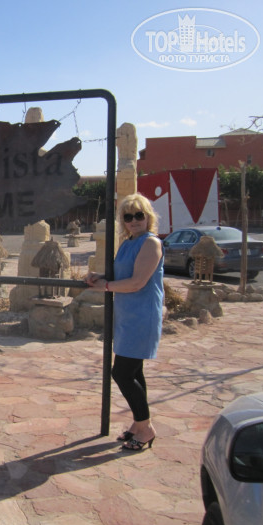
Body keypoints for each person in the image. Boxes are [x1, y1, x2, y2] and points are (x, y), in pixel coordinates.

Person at [85, 193, 164, 451]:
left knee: (121, 373)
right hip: (127, 316)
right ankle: (139, 424)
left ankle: (146, 427)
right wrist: (100, 276)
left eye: (139, 215)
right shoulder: (129, 243)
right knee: (134, 372)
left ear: (148, 216)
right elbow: (124, 273)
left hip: (142, 316)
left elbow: (137, 282)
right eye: (128, 217)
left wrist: (105, 286)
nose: (134, 221)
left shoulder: (150, 243)